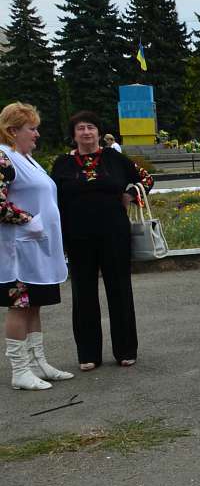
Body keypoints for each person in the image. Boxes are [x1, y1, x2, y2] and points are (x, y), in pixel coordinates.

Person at [52, 111, 154, 371]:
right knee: (83, 294)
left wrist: (131, 193)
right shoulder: (62, 164)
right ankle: (88, 354)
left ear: (99, 132)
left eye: (91, 127)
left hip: (114, 235)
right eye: (80, 128)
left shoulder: (115, 158)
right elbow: (54, 199)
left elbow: (146, 179)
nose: (86, 132)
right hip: (77, 237)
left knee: (119, 291)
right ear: (73, 135)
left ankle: (125, 349)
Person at [1, 103, 73, 390]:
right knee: (20, 306)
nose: (37, 133)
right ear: (12, 130)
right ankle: (19, 370)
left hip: (37, 248)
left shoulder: (28, 159)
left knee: (35, 306)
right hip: (18, 250)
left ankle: (38, 361)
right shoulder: (4, 159)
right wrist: (28, 220)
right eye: (31, 128)